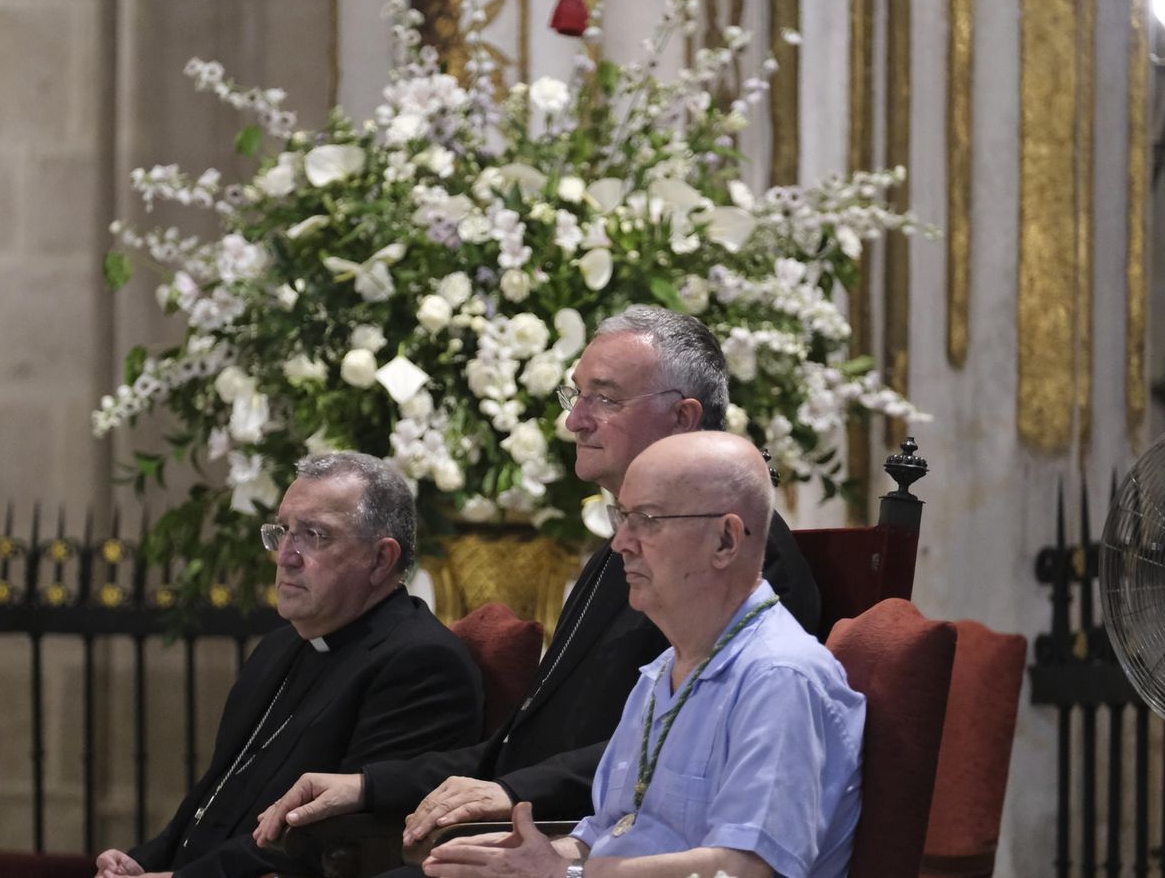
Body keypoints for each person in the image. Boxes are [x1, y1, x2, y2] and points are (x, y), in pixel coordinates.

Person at [253, 307, 819, 859]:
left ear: (683, 418)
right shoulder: (614, 560)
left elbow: (681, 758)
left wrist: (534, 821)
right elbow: (523, 745)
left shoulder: (743, 560)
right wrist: (370, 785)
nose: (575, 420)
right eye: (577, 395)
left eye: (604, 398)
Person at [424, 432, 866, 878]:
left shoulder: (779, 677)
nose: (621, 543)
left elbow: (744, 868)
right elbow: (605, 832)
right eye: (622, 517)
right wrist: (533, 857)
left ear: (725, 541)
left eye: (648, 520)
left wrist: (566, 875)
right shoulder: (662, 671)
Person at [94, 452, 483, 878]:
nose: (285, 556)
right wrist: (143, 861)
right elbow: (216, 794)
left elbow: (330, 837)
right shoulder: (280, 647)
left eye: (314, 535)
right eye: (283, 531)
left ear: (381, 560)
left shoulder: (420, 664)